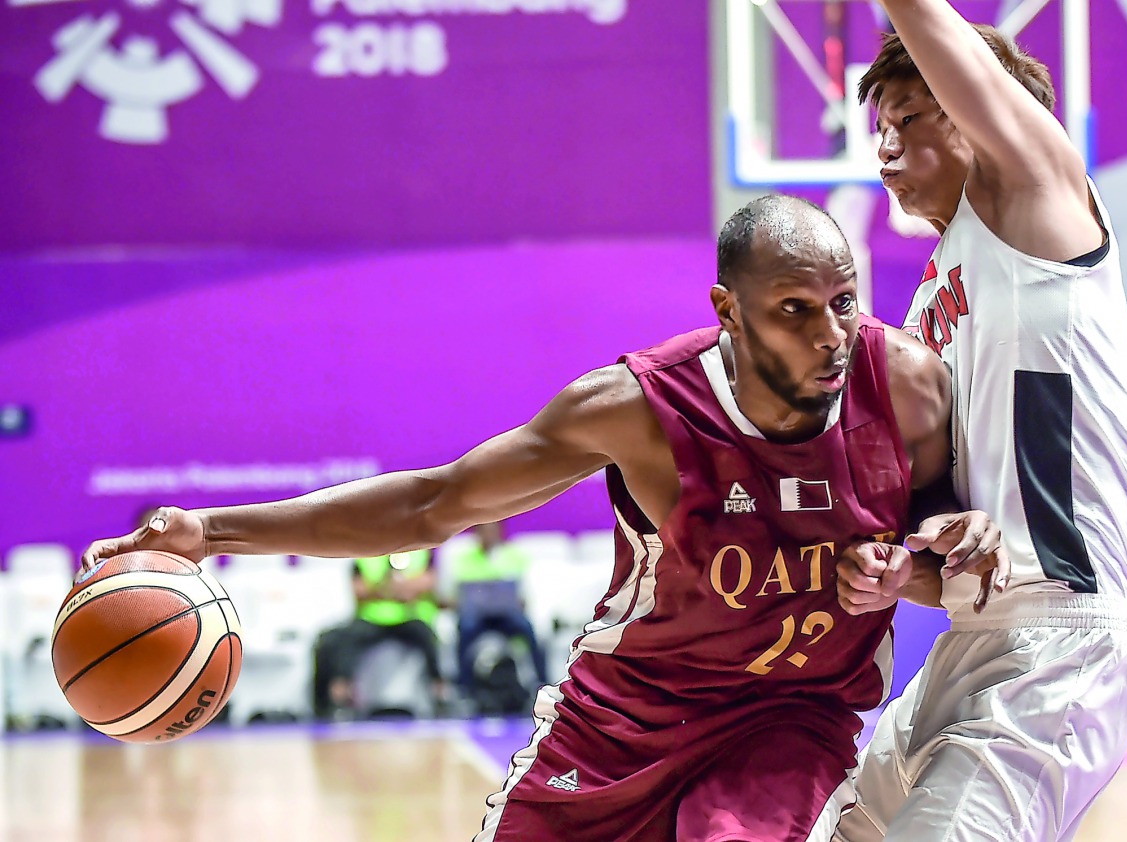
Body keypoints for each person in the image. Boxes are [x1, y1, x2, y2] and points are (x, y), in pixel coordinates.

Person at [81, 195, 1005, 842]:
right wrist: (214, 531)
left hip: (792, 717)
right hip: (624, 719)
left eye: (844, 303)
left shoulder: (912, 391)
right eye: (795, 311)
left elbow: (944, 560)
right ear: (727, 311)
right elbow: (432, 502)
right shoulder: (636, 410)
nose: (831, 335)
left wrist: (912, 571)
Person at [831, 4, 1127, 840]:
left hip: (1059, 648)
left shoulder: (1035, 196)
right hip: (962, 648)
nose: (885, 144)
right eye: (878, 127)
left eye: (908, 116)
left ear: (979, 109)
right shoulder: (928, 307)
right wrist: (898, 573)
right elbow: (959, 545)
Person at [311, 549, 444, 720]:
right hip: (372, 618)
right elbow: (358, 589)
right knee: (346, 642)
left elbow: (429, 581)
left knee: (428, 638)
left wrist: (388, 589)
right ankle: (340, 697)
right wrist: (390, 588)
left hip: (408, 617)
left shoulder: (420, 551)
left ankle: (440, 694)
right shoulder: (366, 554)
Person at [441, 520, 548, 712]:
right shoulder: (463, 559)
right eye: (484, 531)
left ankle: (541, 683)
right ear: (477, 534)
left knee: (527, 628)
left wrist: (515, 601)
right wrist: (465, 603)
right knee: (465, 629)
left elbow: (523, 596)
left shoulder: (513, 556)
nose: (488, 535)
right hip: (476, 616)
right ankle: (464, 688)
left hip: (506, 615)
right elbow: (452, 598)